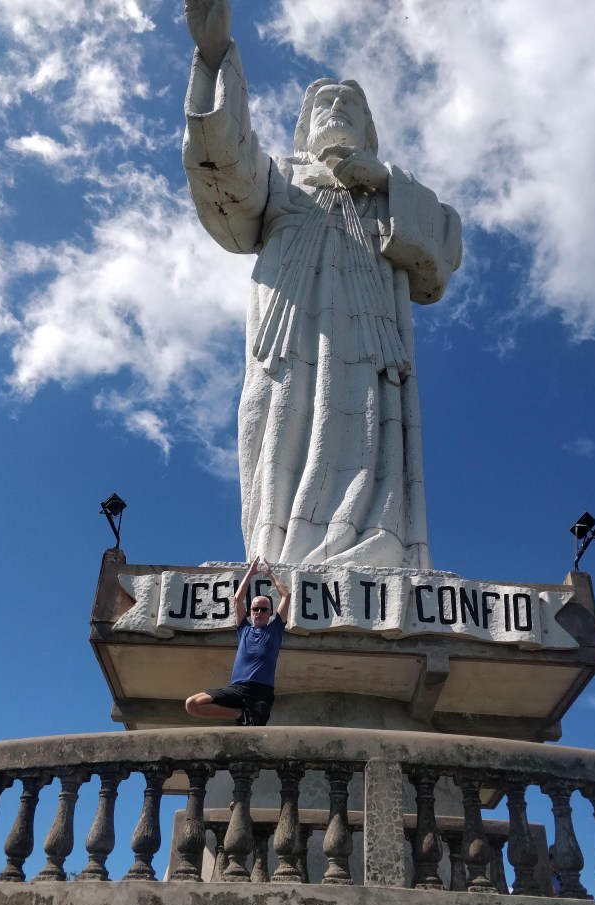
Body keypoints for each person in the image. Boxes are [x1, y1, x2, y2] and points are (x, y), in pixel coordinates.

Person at [183, 0, 462, 570]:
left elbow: (442, 255)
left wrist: (385, 181)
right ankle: (275, 558)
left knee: (369, 434)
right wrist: (213, 58)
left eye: (348, 104)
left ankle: (374, 552)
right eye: (324, 103)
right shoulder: (279, 176)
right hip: (286, 340)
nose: (335, 108)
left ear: (369, 131)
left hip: (370, 348)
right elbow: (225, 171)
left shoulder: (388, 192)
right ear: (305, 126)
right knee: (274, 428)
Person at [185, 557, 290, 726]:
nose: (259, 612)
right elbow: (237, 599)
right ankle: (238, 713)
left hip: (261, 693)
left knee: (254, 737)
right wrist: (250, 573)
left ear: (270, 613)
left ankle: (245, 716)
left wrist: (270, 574)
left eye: (263, 609)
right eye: (255, 609)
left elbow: (286, 596)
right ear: (251, 611)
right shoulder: (244, 628)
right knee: (192, 704)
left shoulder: (275, 629)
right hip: (236, 689)